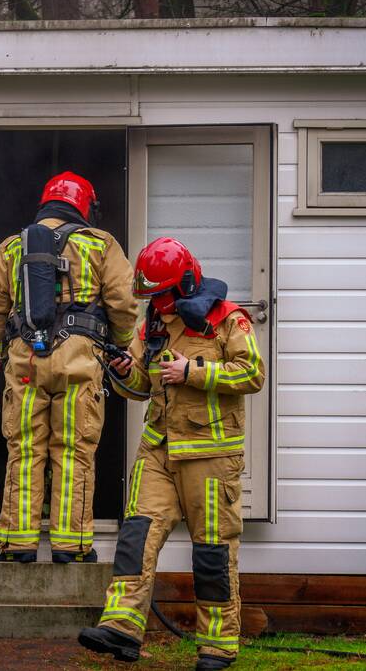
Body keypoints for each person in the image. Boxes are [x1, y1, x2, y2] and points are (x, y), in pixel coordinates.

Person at [77, 237, 265, 670]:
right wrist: (125, 370)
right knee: (136, 536)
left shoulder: (226, 319)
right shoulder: (154, 326)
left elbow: (252, 372)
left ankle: (217, 647)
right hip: (158, 449)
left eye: (161, 295)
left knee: (212, 551)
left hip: (211, 456)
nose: (155, 304)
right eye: (150, 297)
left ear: (184, 284)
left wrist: (193, 371)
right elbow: (142, 385)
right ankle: (121, 628)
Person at [0, 171, 137, 564]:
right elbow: (124, 303)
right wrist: (118, 346)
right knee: (74, 451)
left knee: (24, 451)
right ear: (85, 206)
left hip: (25, 361)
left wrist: (4, 350)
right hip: (79, 362)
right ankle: (71, 547)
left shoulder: (13, 246)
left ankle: (17, 545)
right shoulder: (101, 244)